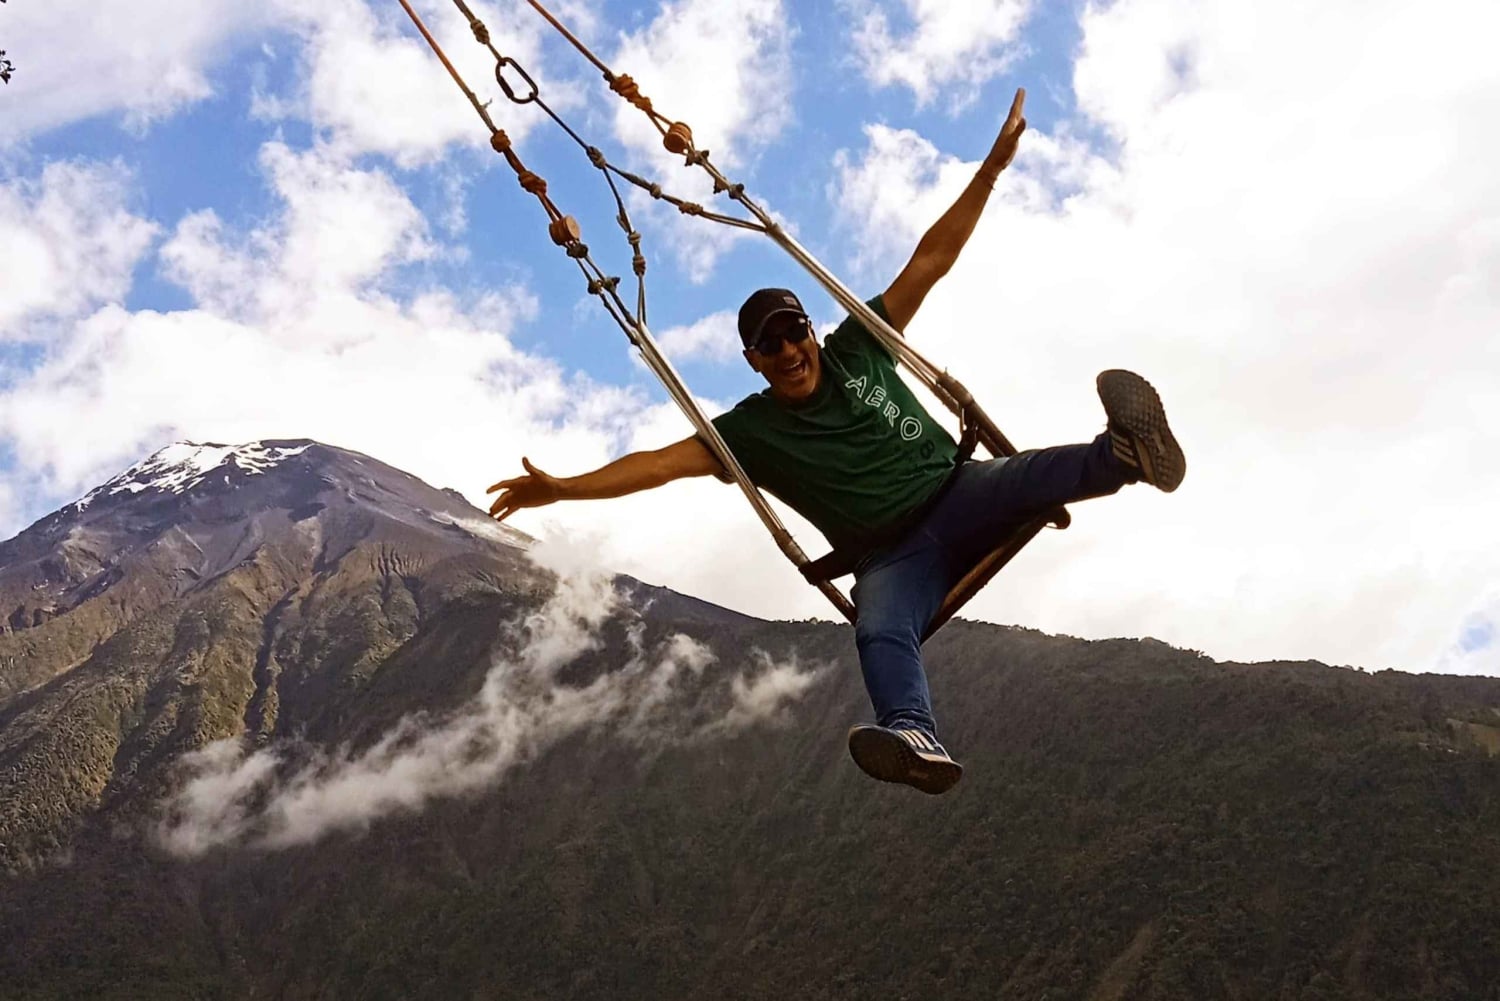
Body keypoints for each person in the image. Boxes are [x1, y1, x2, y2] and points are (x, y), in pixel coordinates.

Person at [486, 89, 1184, 795]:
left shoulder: (860, 346)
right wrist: (565, 488)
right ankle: (913, 735)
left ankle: (1126, 454)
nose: (789, 351)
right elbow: (660, 465)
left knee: (1023, 476)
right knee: (878, 628)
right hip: (892, 556)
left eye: (795, 332)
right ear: (754, 360)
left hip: (957, 491)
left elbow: (930, 260)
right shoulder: (750, 430)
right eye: (770, 345)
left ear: (811, 331)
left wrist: (990, 171)